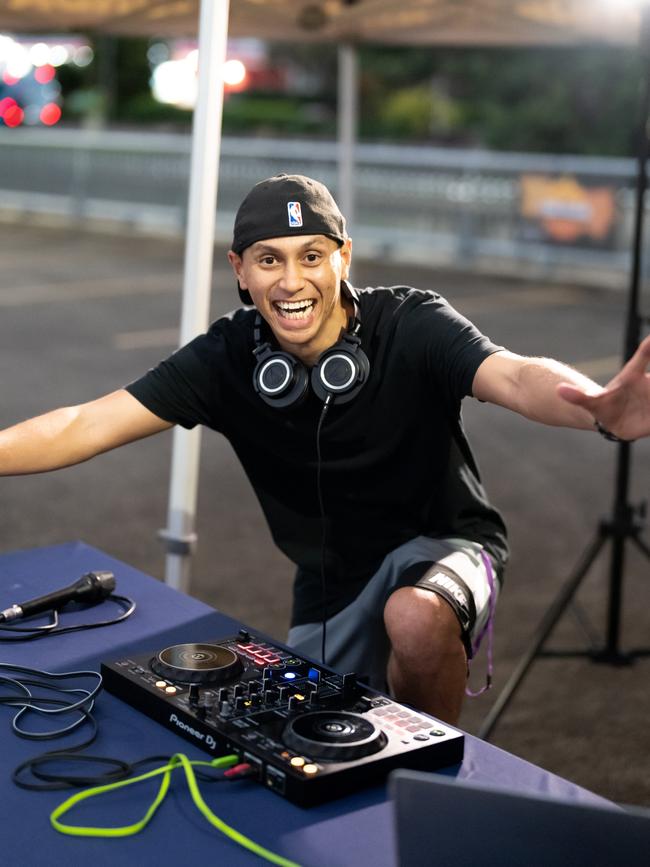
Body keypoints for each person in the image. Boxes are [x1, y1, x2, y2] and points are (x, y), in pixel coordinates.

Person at [0, 174, 647, 725]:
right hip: (332, 580)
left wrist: (595, 406)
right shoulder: (224, 359)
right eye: (269, 258)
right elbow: (83, 422)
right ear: (240, 270)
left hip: (451, 542)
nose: (292, 279)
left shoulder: (411, 322)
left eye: (312, 255)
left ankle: (436, 779)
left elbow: (508, 374)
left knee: (416, 619)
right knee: (310, 729)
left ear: (344, 257)